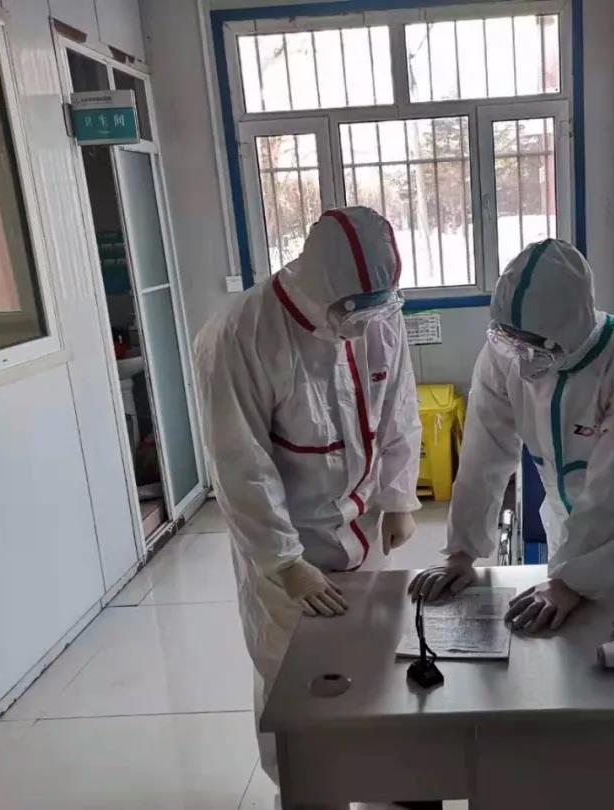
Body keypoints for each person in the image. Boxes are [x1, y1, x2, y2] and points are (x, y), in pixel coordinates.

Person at [194, 206, 422, 779]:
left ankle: (368, 769)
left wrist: (398, 497)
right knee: (292, 673)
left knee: (368, 653)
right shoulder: (241, 335)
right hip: (287, 543)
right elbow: (240, 463)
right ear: (321, 288)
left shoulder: (377, 315)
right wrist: (285, 562)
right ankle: (299, 785)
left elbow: (399, 406)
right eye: (353, 312)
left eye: (378, 308)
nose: (366, 325)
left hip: (362, 530)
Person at [409, 239, 614, 632]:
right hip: (577, 548)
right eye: (510, 340)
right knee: (573, 654)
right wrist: (461, 553)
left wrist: (572, 582)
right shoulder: (504, 355)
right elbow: (482, 456)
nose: (522, 362)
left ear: (573, 330)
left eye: (537, 348)